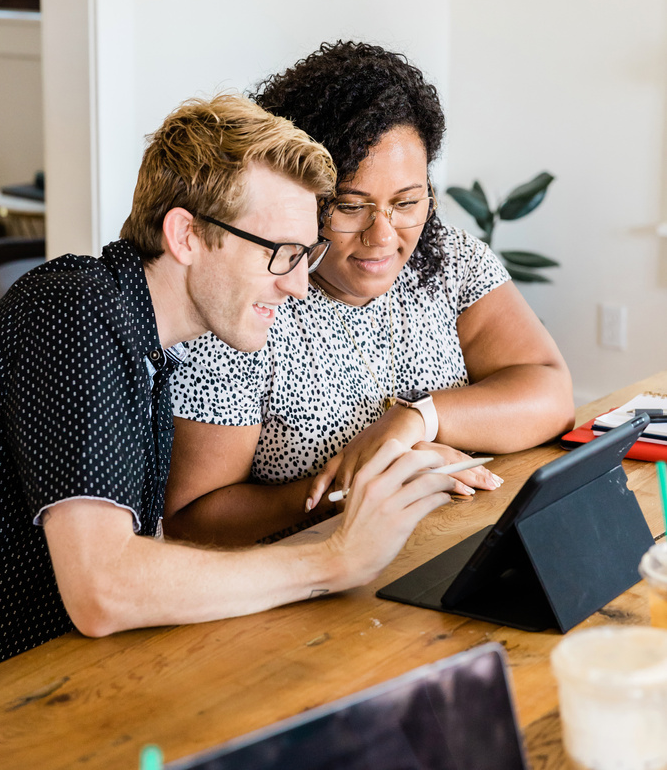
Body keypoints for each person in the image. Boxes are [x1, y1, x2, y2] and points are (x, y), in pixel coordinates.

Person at [0, 93, 456, 688]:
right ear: (185, 235)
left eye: (305, 256)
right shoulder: (74, 311)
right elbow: (103, 588)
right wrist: (334, 560)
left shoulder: (149, 344)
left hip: (56, 678)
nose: (299, 289)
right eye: (281, 255)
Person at [163, 44, 575, 547]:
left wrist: (419, 419)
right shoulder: (250, 296)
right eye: (350, 207)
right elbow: (193, 518)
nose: (383, 236)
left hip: (444, 542)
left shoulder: (446, 256)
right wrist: (361, 485)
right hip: (303, 581)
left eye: (406, 202)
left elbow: (550, 392)